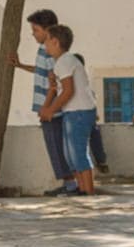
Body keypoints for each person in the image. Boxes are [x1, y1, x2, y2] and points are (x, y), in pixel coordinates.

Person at [11, 9, 73, 193]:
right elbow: (42, 72)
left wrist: (47, 108)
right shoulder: (43, 50)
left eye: (36, 30)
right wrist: (20, 66)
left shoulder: (52, 53)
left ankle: (70, 184)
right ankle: (66, 183)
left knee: (58, 146)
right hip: (45, 109)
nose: (33, 33)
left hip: (52, 110)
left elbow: (54, 83)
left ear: (48, 31)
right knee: (53, 146)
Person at [39, 26, 99, 197]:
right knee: (71, 154)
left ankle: (88, 190)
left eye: (48, 41)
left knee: (78, 153)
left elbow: (68, 90)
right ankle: (81, 188)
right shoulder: (64, 62)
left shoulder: (65, 61)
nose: (45, 46)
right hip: (73, 112)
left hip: (79, 112)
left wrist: (51, 110)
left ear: (56, 42)